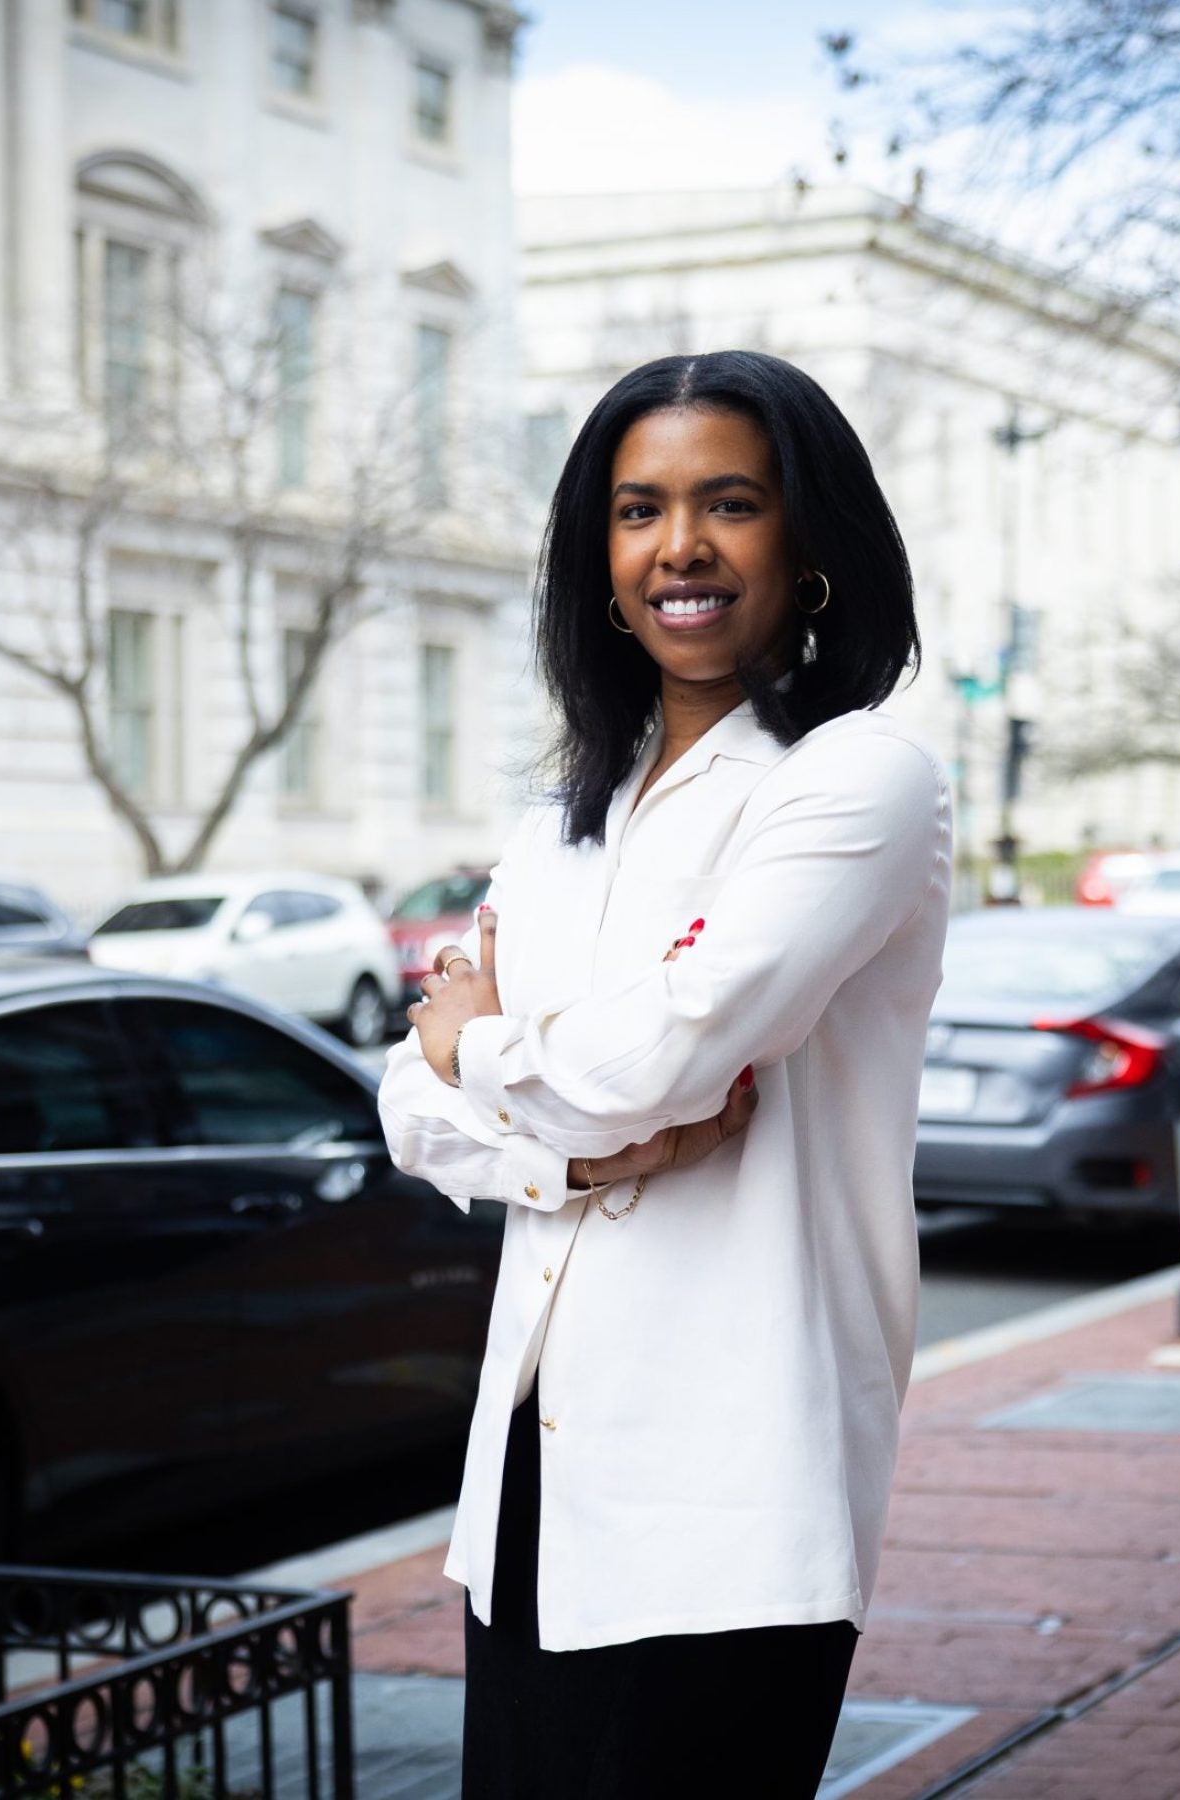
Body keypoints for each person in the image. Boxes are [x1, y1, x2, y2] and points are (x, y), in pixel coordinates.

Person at [377, 350, 952, 1799]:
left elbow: (664, 1059)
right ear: (602, 554)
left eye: (731, 503)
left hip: (731, 1477)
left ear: (809, 542)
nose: (678, 546)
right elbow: (408, 1106)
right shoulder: (568, 813)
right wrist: (561, 1152)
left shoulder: (853, 779)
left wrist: (481, 1043)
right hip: (534, 1477)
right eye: (639, 510)